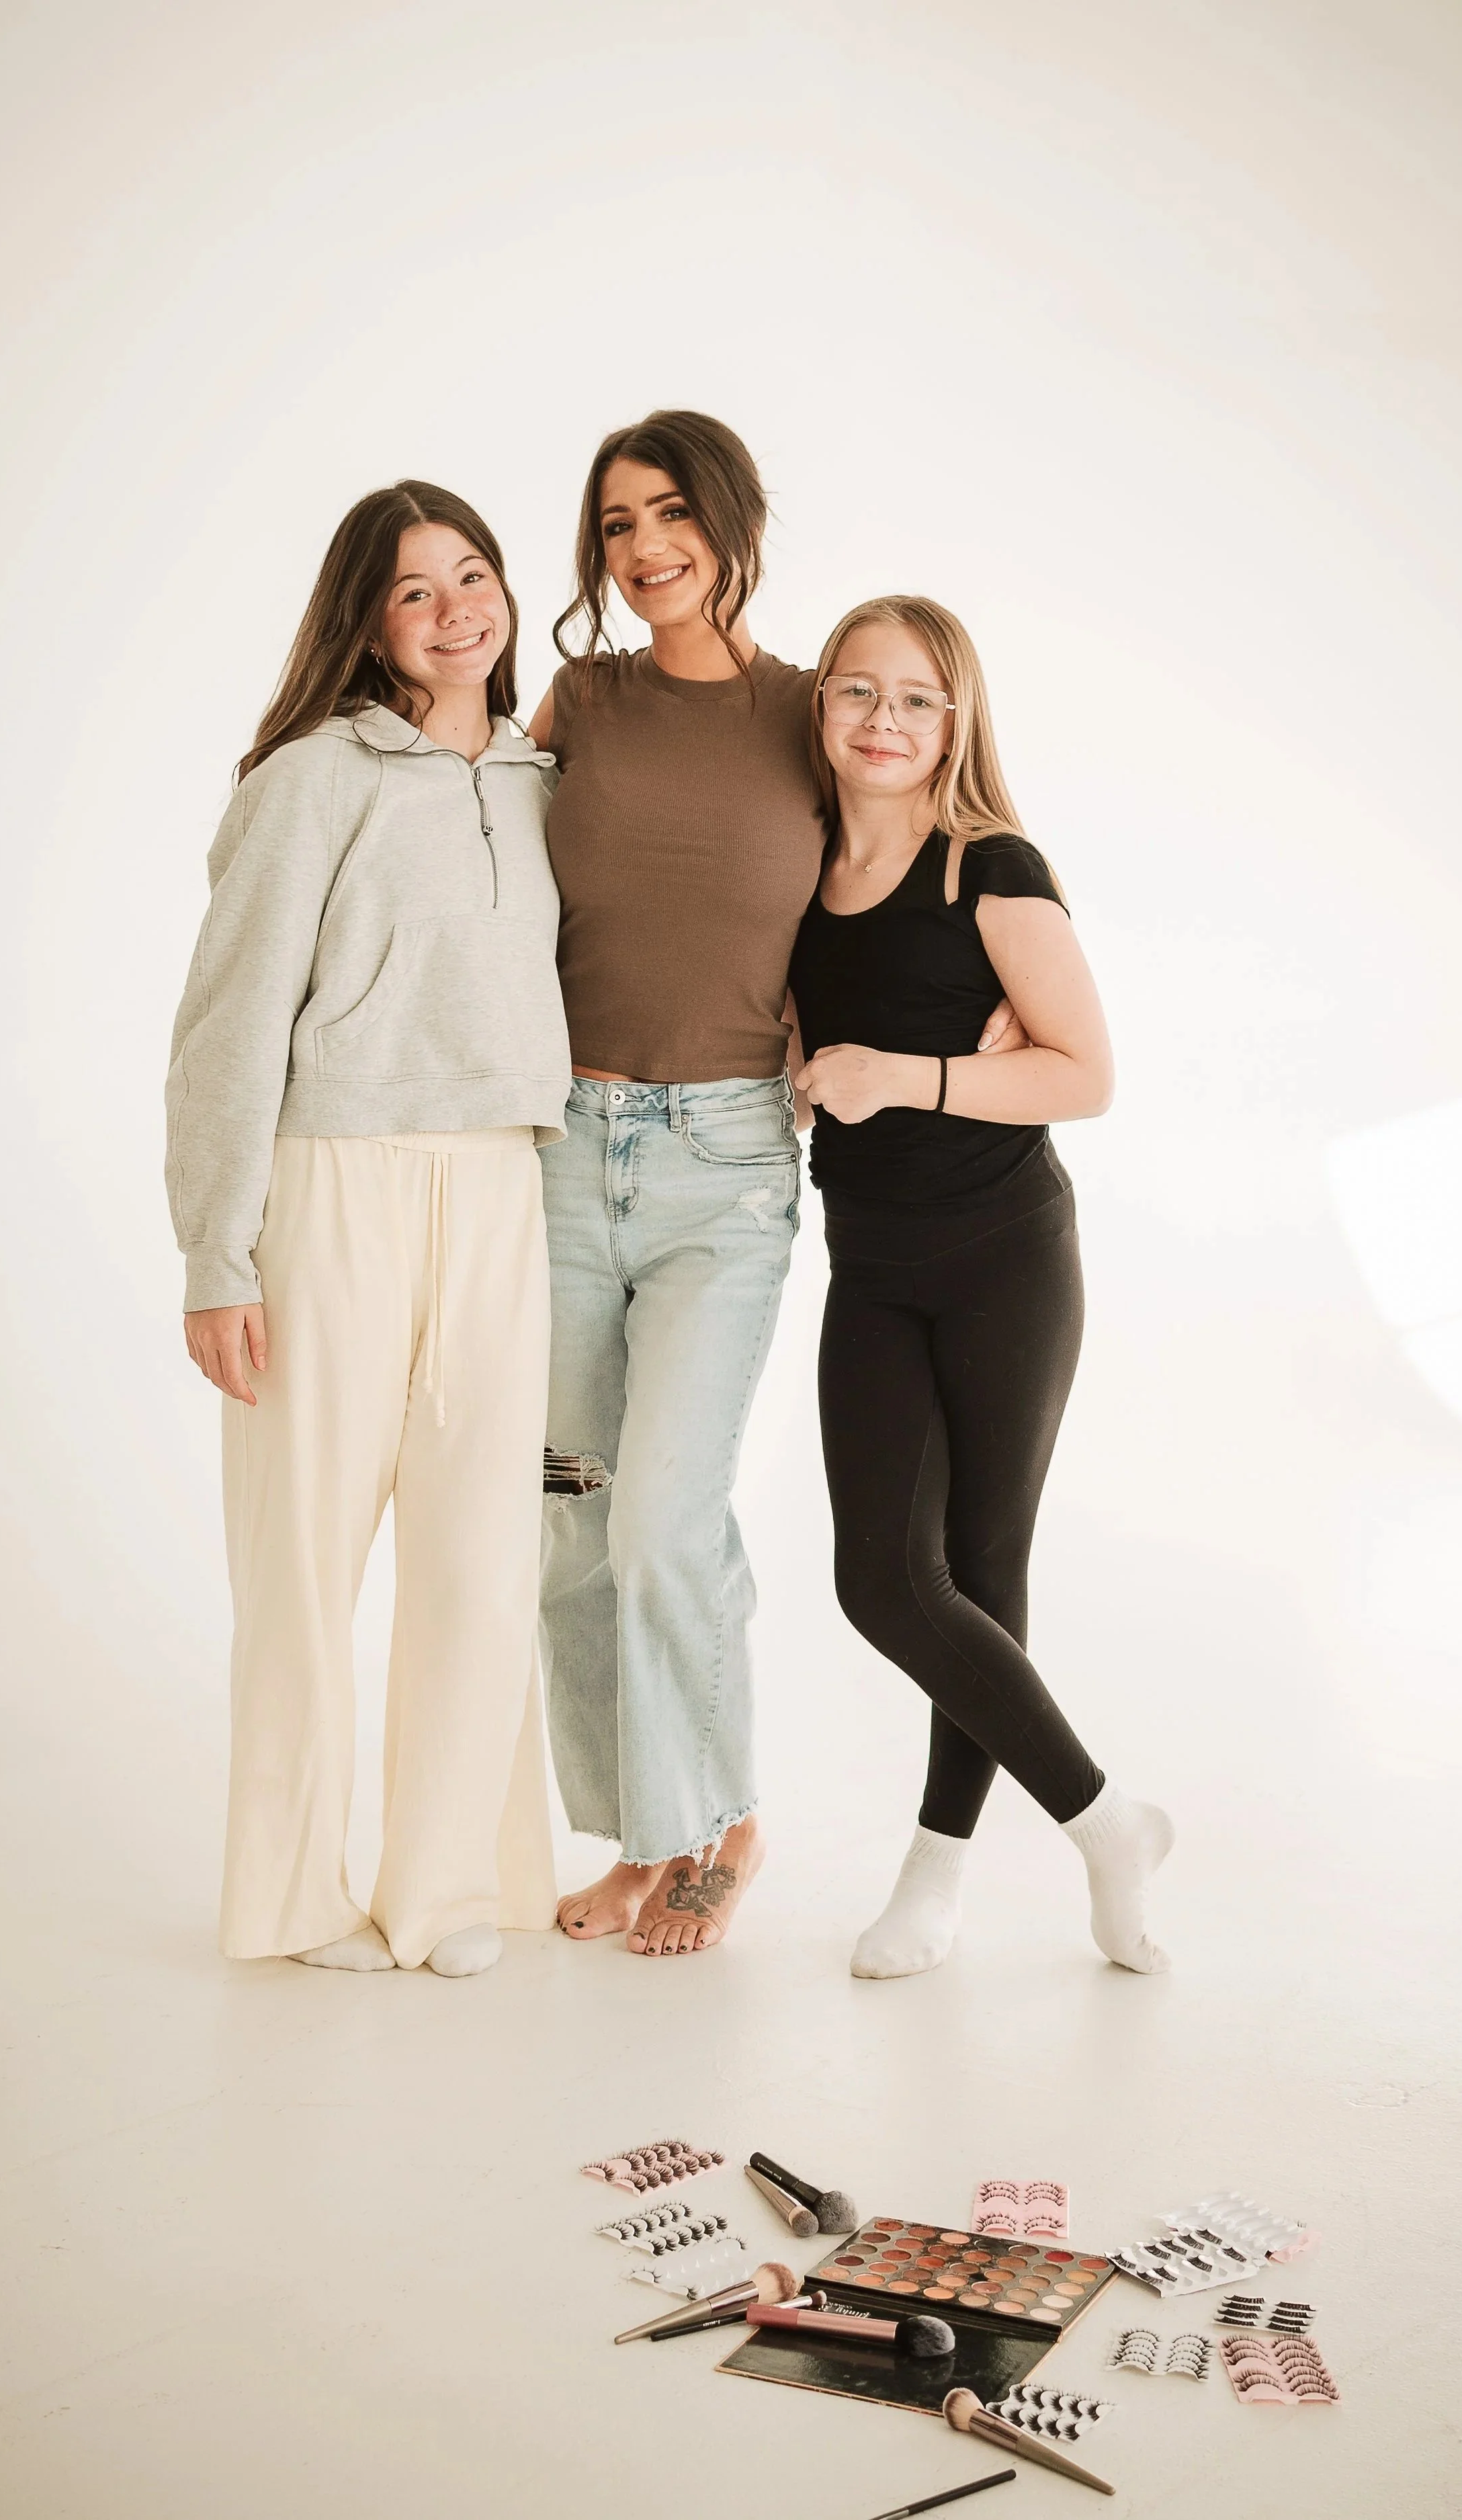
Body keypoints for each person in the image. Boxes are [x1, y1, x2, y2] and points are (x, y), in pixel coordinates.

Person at [166, 481, 569, 1976]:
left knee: (478, 1556)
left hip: (499, 1184)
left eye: (475, 575)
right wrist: (216, 1253)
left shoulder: (540, 775)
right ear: (366, 619)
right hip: (333, 1176)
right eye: (415, 590)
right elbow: (224, 1028)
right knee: (303, 1558)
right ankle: (289, 1902)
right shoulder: (308, 779)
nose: (457, 608)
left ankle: (448, 1888)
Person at [789, 595, 1174, 1980]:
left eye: (914, 700)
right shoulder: (797, 864)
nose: (881, 723)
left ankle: (938, 1876)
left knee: (977, 1571)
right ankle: (1108, 1821)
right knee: (884, 1580)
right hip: (870, 1268)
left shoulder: (986, 870)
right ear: (818, 707)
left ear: (956, 721)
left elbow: (1085, 1073)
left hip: (1005, 1258)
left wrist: (903, 1076)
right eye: (854, 693)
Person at [526, 411, 822, 1958]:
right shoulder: (582, 695)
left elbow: (887, 872)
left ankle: (720, 1817)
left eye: (666, 515)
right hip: (566, 1151)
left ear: (727, 517)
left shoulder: (806, 711)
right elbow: (484, 870)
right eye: (614, 525)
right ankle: (643, 1835)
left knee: (659, 1515)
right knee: (571, 1520)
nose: (641, 549)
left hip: (725, 1168)